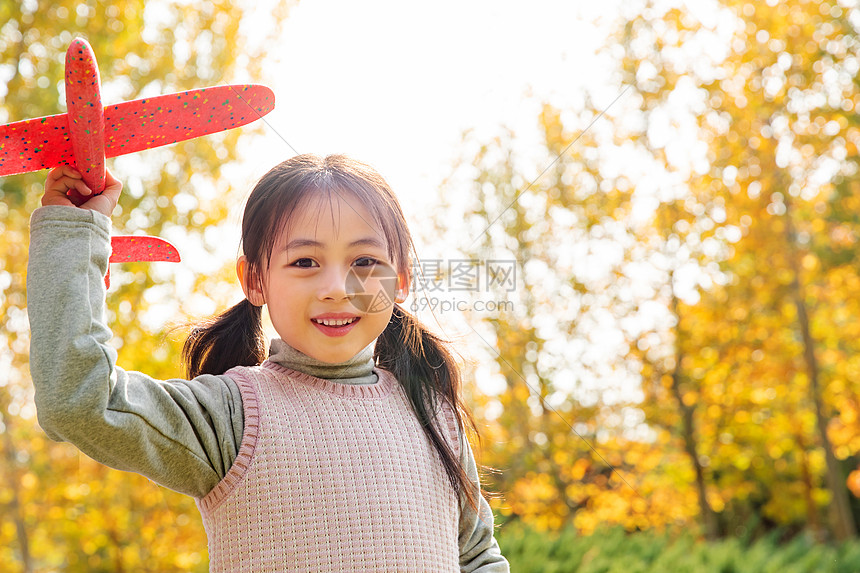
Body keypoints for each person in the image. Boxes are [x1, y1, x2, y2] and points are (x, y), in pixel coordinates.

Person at [28, 154, 509, 572]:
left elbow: (477, 557)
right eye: (305, 263)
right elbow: (79, 400)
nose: (337, 287)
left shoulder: (435, 416)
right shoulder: (230, 415)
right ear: (254, 279)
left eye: (364, 262)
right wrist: (74, 237)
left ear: (400, 278)